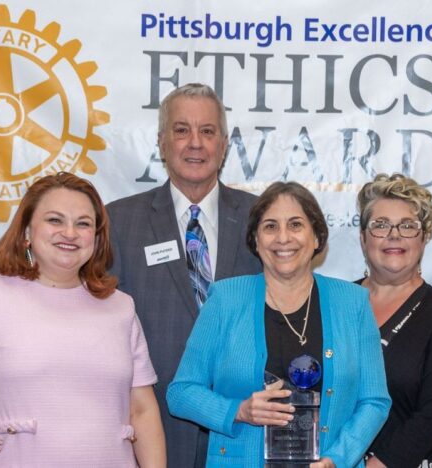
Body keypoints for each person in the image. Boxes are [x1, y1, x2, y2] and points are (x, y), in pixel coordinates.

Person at [0, 172, 165, 467]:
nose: (70, 233)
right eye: (55, 220)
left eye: (83, 223)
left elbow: (141, 410)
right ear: (26, 232)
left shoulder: (120, 307)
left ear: (98, 238)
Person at [166, 181, 391, 467]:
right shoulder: (225, 299)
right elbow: (181, 393)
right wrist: (239, 411)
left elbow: (375, 401)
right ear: (256, 241)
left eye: (296, 225)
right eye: (270, 227)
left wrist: (338, 459)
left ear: (317, 238)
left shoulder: (353, 303)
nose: (283, 238)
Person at [106, 83, 260, 467]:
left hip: (244, 429)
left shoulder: (264, 220)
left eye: (207, 131)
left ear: (224, 144)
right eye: (181, 130)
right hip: (153, 427)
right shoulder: (117, 222)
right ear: (161, 142)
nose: (195, 143)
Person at [355, 174, 432, 468]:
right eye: (380, 225)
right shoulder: (337, 303)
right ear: (363, 237)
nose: (394, 235)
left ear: (425, 236)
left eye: (408, 226)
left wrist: (379, 464)